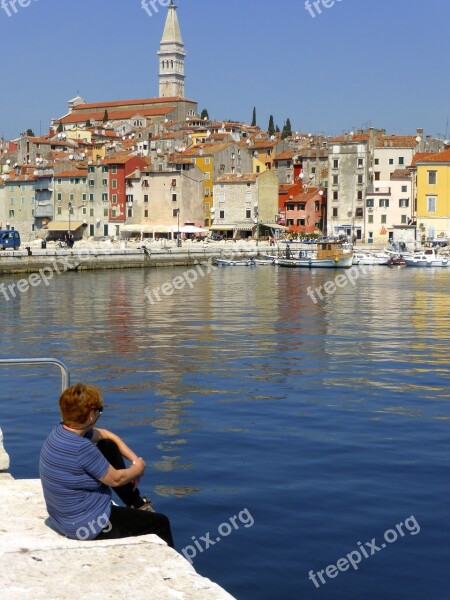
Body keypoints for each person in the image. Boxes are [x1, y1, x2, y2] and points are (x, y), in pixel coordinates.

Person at [39, 383, 174, 547]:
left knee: (107, 445)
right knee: (161, 523)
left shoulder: (60, 432)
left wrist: (133, 459)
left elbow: (105, 435)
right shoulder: (82, 448)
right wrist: (137, 469)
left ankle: (135, 503)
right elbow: (116, 479)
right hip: (87, 526)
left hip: (62, 518)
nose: (99, 414)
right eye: (99, 411)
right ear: (90, 415)